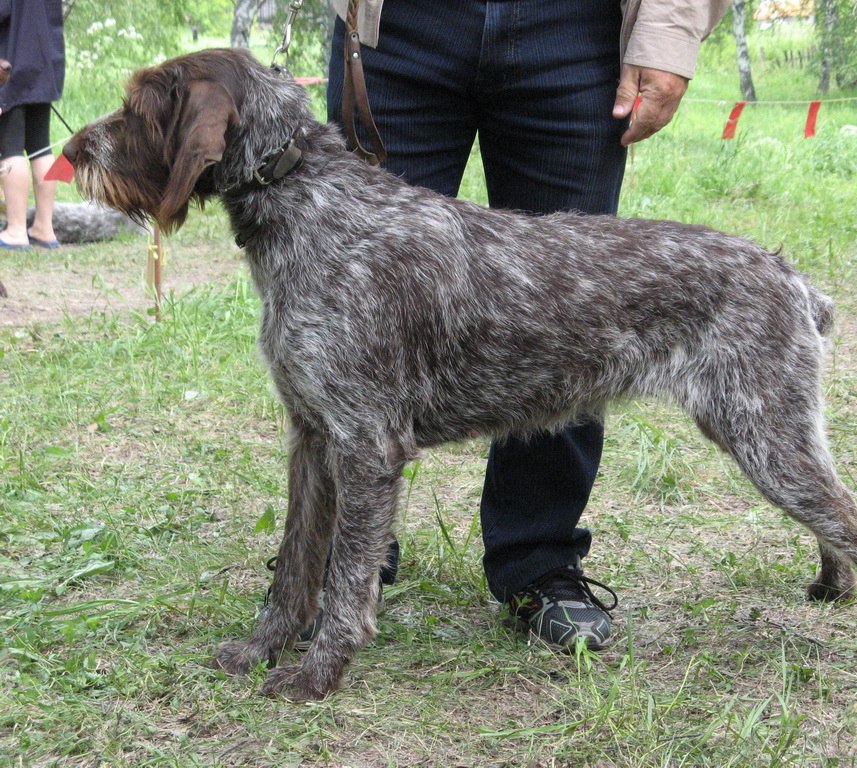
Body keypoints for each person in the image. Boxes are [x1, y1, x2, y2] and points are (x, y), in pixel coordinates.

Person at [295, 0, 729, 650]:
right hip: (396, 28)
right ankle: (342, 567)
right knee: (353, 331)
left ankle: (539, 563)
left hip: (574, 28)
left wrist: (667, 35)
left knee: (573, 315)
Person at [0, 0, 64, 251]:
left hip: (10, 64)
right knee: (41, 147)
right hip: (45, 62)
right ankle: (44, 228)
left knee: (10, 148)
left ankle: (16, 230)